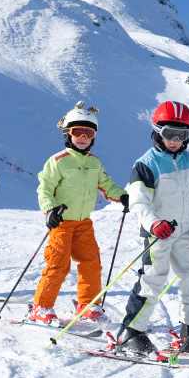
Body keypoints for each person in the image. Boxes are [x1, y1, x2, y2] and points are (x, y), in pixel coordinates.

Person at [114, 100, 189, 357]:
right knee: (153, 279)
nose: (175, 141)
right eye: (169, 134)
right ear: (156, 131)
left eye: (181, 135)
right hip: (158, 234)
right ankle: (131, 331)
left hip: (184, 232)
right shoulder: (146, 164)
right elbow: (139, 201)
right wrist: (154, 223)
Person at [29, 101, 128, 324]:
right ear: (68, 133)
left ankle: (87, 304)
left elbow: (106, 184)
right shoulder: (58, 161)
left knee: (91, 262)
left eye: (88, 132)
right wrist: (50, 210)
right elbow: (44, 188)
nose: (82, 137)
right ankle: (41, 307)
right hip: (61, 222)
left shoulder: (95, 163)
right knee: (58, 264)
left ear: (94, 137)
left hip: (84, 223)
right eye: (77, 132)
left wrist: (121, 195)